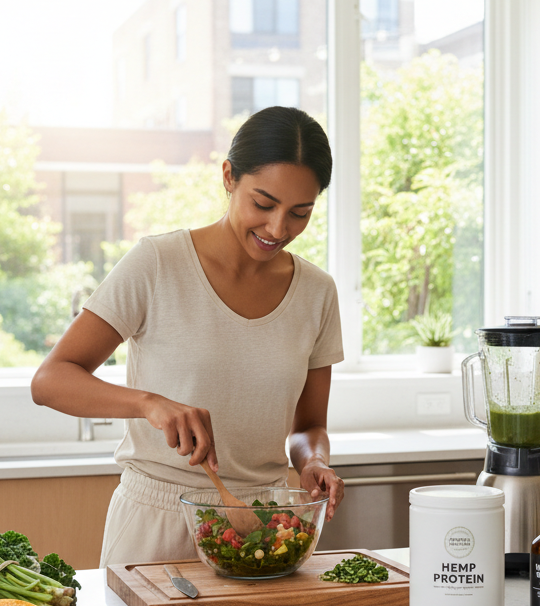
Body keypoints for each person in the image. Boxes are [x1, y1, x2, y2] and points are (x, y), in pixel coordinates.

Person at [31, 106, 345, 566]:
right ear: (228, 177)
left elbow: (308, 426)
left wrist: (312, 462)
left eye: (300, 212)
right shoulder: (157, 264)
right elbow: (50, 380)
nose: (278, 229)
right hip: (157, 524)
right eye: (263, 204)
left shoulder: (317, 293)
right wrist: (148, 404)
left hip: (264, 523)